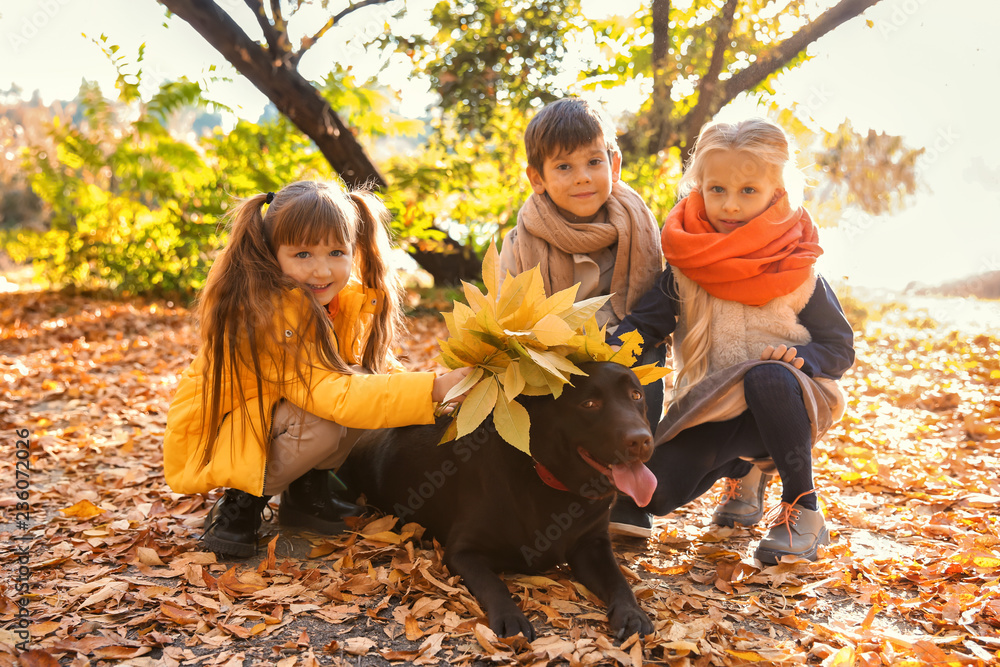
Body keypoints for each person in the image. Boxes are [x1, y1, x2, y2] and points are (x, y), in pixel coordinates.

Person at [163, 181, 472, 558]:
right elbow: (329, 394)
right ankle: (241, 500)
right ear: (271, 255)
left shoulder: (343, 302)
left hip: (276, 418)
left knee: (367, 384)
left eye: (336, 251)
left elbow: (372, 376)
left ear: (354, 250)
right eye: (303, 254)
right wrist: (432, 389)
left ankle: (307, 492)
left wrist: (440, 390)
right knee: (331, 415)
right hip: (225, 434)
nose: (321, 269)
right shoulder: (269, 313)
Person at [607, 118, 855, 564]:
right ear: (698, 185)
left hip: (792, 398)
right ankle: (745, 471)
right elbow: (643, 327)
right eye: (716, 189)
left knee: (766, 379)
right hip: (714, 404)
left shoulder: (797, 266)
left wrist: (801, 358)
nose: (731, 206)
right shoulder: (685, 265)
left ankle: (804, 512)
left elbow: (840, 347)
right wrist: (597, 351)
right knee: (652, 497)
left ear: (776, 191)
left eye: (748, 191)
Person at [499, 97, 665, 427]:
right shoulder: (522, 242)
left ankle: (643, 448)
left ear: (614, 164)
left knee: (648, 367)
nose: (582, 177)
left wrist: (618, 344)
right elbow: (511, 317)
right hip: (556, 354)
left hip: (627, 344)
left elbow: (655, 303)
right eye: (564, 167)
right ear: (537, 178)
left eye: (593, 162)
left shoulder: (638, 227)